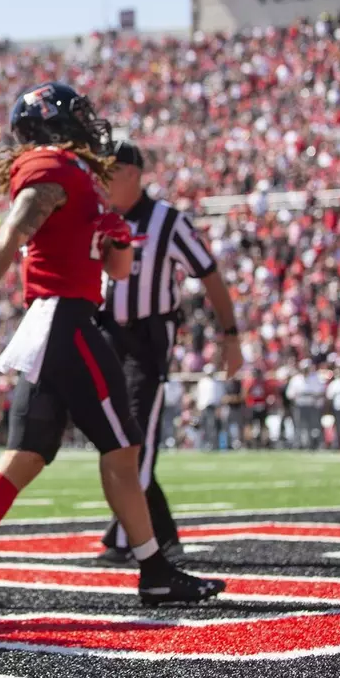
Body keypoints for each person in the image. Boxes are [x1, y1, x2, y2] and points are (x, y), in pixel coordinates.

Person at [0, 81, 225, 609]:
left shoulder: (81, 176)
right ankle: (155, 571)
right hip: (66, 321)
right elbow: (14, 228)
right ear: (55, 123)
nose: (89, 125)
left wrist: (117, 238)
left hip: (56, 323)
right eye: (77, 115)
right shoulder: (54, 169)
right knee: (123, 447)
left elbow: (118, 270)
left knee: (27, 454)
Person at [95, 141, 241, 563]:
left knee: (137, 437)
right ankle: (162, 533)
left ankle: (126, 537)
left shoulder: (167, 221)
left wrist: (230, 334)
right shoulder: (102, 218)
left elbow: (208, 274)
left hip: (147, 340)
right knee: (115, 438)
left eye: (110, 170)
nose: (103, 179)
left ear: (132, 173)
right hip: (107, 336)